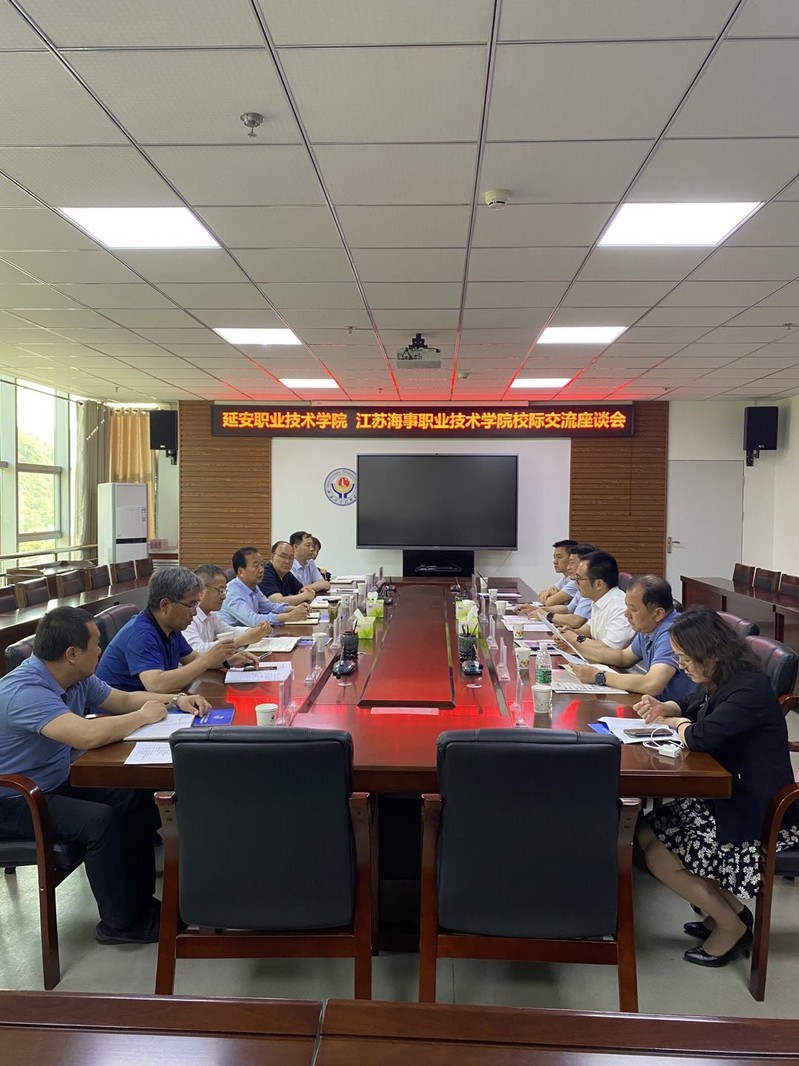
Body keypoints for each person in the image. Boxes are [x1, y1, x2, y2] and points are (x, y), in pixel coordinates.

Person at [0, 607, 209, 945]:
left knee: (133, 796)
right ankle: (119, 924)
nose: (101, 650)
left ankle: (140, 902)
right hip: (14, 800)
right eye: (95, 644)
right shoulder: (25, 691)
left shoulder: (75, 676)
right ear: (72, 654)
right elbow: (86, 735)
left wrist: (175, 700)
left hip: (54, 782)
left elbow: (123, 699)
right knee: (100, 822)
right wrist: (143, 717)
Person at [635, 606, 799, 968]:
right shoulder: (723, 676)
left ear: (711, 652)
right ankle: (732, 912)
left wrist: (676, 724)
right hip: (725, 795)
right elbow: (691, 704)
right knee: (642, 831)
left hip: (758, 812)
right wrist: (664, 708)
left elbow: (700, 736)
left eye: (685, 659)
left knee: (660, 857)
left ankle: (730, 927)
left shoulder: (749, 689)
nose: (682, 666)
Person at [96, 567, 237, 694]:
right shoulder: (141, 633)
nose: (194, 612)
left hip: (150, 705)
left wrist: (227, 661)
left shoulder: (170, 626)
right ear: (165, 605)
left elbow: (192, 658)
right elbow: (157, 685)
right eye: (191, 605)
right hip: (118, 711)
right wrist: (207, 660)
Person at [563, 575, 695, 700]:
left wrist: (597, 676)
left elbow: (652, 684)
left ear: (658, 613)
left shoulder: (672, 633)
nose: (626, 614)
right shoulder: (649, 626)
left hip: (680, 711)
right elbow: (623, 657)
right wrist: (574, 644)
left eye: (633, 609)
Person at [184, 564, 268, 657]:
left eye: (224, 591)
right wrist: (239, 641)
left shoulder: (211, 615)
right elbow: (196, 651)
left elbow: (230, 631)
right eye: (220, 590)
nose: (224, 596)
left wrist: (255, 630)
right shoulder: (187, 616)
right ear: (201, 591)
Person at [218, 546, 311, 629]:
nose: (261, 570)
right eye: (256, 566)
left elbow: (270, 607)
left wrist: (294, 609)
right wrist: (288, 616)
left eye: (262, 565)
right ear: (241, 571)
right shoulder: (232, 593)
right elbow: (253, 620)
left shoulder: (253, 587)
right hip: (232, 639)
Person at [557, 550, 633, 650]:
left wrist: (575, 639)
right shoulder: (599, 598)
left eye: (579, 579)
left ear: (598, 584)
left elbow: (609, 648)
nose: (576, 583)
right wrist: (574, 633)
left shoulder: (619, 607)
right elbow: (591, 627)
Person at [527, 542, 598, 629]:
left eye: (572, 563)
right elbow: (567, 610)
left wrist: (547, 615)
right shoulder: (579, 584)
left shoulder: (590, 588)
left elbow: (576, 621)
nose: (568, 567)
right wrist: (538, 610)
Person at [259, 541, 315, 606]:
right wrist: (305, 596)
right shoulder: (265, 573)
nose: (287, 561)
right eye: (283, 556)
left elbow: (302, 590)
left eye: (291, 557)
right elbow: (278, 602)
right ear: (272, 556)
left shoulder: (287, 574)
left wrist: (307, 592)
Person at [538, 539, 578, 607]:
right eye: (554, 557)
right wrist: (552, 596)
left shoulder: (575, 581)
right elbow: (541, 594)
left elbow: (549, 602)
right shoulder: (565, 579)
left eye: (559, 557)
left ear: (571, 558)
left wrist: (553, 597)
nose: (555, 562)